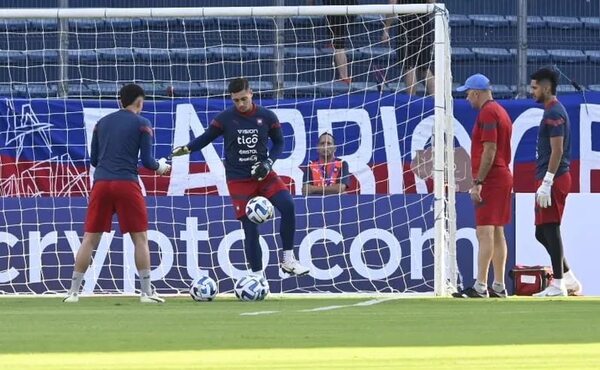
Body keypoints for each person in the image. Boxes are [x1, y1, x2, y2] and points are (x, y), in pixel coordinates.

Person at [171, 78, 310, 278]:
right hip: (238, 180)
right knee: (250, 227)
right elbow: (205, 138)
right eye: (236, 101)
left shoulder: (267, 116)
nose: (240, 104)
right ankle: (257, 277)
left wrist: (268, 163)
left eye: (243, 99)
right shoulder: (225, 118)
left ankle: (288, 260)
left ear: (251, 93)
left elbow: (279, 143)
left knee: (288, 204)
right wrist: (185, 149)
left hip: (263, 173)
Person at [63, 84, 171, 303]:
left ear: (119, 101)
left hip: (101, 183)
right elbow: (149, 162)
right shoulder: (143, 123)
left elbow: (93, 160)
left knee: (90, 239)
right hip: (126, 184)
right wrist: (161, 167)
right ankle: (146, 293)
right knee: (139, 239)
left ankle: (73, 292)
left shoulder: (101, 124)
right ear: (140, 102)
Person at [452, 74, 513, 299]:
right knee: (497, 232)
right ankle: (498, 285)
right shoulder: (501, 112)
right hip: (502, 175)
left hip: (492, 178)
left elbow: (489, 150)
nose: (467, 99)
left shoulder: (487, 113)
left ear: (476, 93)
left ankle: (481, 286)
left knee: (484, 232)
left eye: (468, 94)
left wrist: (478, 182)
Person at [529, 67, 582, 297]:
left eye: (535, 87)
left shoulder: (554, 113)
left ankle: (558, 283)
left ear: (547, 87)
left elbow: (557, 149)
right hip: (551, 177)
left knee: (550, 228)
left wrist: (548, 182)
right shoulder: (551, 110)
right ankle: (569, 279)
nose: (532, 92)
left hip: (556, 177)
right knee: (541, 233)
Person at [383, 0, 435, 95]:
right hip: (424, 26)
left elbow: (392, 7)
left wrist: (386, 28)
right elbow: (432, 4)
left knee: (409, 67)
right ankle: (437, 101)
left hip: (406, 27)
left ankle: (411, 102)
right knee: (425, 68)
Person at [307, 0, 357, 84]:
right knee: (334, 29)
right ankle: (333, 42)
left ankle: (344, 76)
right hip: (341, 8)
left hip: (341, 9)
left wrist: (310, 7)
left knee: (339, 45)